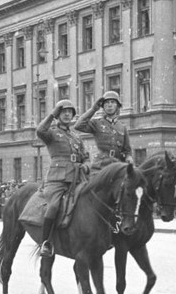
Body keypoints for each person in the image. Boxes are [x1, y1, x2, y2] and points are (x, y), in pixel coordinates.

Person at [37, 99, 89, 257]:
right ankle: (46, 242)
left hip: (77, 177)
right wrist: (51, 114)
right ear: (58, 115)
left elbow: (85, 156)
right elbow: (40, 131)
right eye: (63, 112)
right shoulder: (51, 133)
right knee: (53, 206)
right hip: (57, 179)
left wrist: (86, 165)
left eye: (70, 112)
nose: (67, 115)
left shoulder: (76, 137)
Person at [74, 90, 133, 177]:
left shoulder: (122, 127)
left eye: (112, 102)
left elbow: (127, 150)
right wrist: (93, 109)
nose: (109, 105)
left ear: (117, 106)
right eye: (106, 103)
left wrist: (128, 157)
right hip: (100, 166)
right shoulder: (97, 123)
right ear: (103, 107)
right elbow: (78, 126)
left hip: (117, 165)